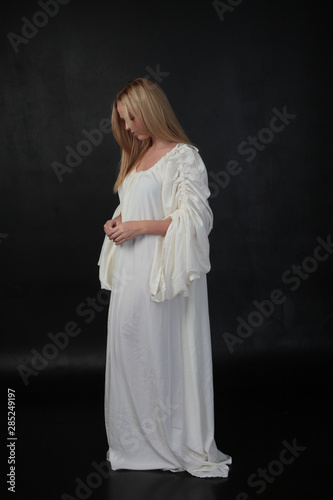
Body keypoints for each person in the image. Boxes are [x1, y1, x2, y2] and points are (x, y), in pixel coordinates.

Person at [98, 78, 232, 478]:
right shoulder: (136, 158)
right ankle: (135, 441)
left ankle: (170, 439)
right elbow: (138, 207)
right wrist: (119, 221)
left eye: (132, 117)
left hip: (161, 275)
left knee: (160, 351)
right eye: (123, 121)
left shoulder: (183, 156)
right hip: (130, 274)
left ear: (152, 110)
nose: (128, 127)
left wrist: (138, 227)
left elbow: (194, 218)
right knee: (129, 351)